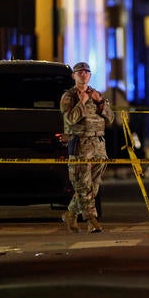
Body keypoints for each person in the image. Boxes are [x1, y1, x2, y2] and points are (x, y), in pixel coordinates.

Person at [60, 62, 115, 233]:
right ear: (73, 76)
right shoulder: (69, 96)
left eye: (86, 72)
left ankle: (70, 213)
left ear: (90, 75)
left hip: (98, 144)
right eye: (80, 72)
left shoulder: (96, 94)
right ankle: (92, 220)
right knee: (83, 185)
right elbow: (70, 119)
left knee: (94, 184)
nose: (83, 74)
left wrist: (100, 103)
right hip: (80, 144)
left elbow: (111, 119)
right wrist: (82, 103)